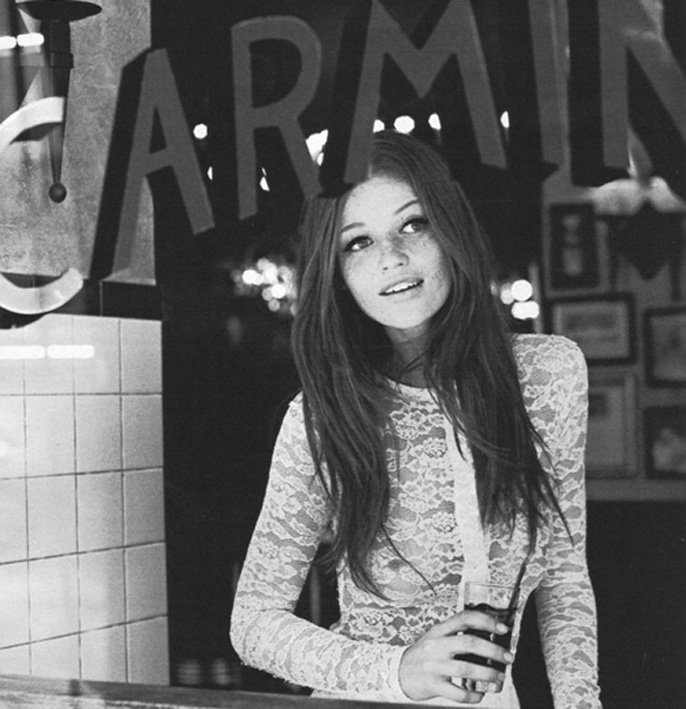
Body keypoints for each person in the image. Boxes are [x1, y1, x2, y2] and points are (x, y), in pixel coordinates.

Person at [230, 130, 602, 708]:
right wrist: (399, 670)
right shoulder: (324, 418)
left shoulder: (548, 375)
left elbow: (564, 575)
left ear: (450, 229)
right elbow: (253, 622)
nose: (392, 257)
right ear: (337, 272)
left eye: (413, 224)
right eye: (358, 242)